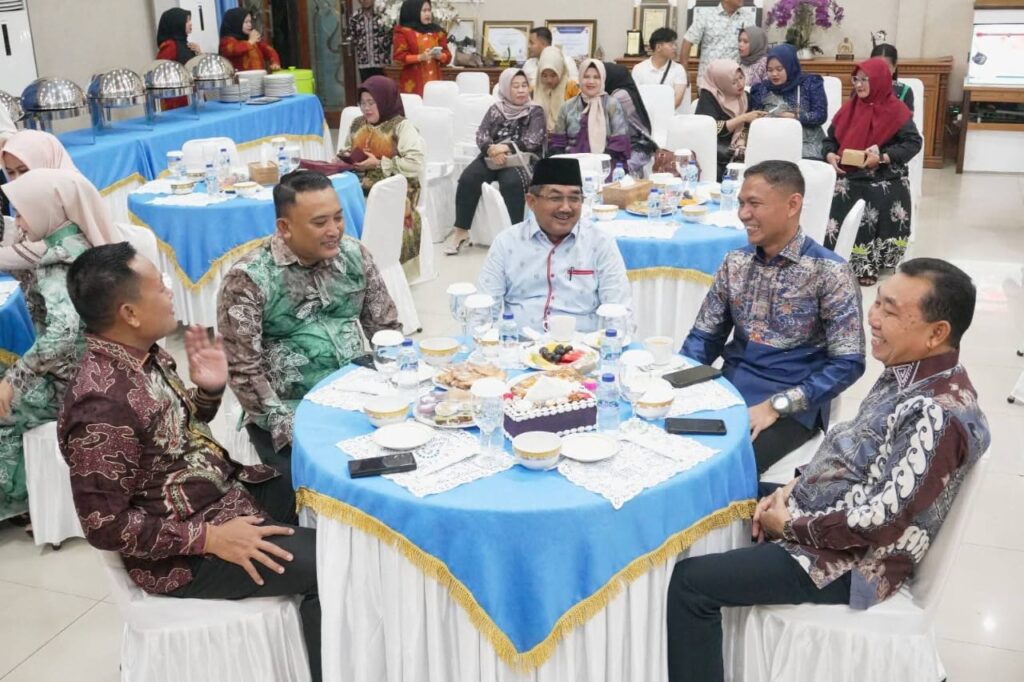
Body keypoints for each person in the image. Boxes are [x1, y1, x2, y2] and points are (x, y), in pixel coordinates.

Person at [667, 258, 989, 682]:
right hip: (826, 517)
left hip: (848, 562)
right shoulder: (910, 372)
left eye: (891, 311)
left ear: (936, 333)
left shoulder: (935, 413)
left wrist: (790, 524)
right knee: (718, 490)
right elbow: (853, 450)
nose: (873, 319)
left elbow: (881, 522)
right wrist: (793, 487)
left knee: (691, 584)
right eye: (877, 302)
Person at [61, 243, 321, 682]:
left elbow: (171, 438)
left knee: (331, 499)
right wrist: (210, 538)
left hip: (221, 493)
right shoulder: (99, 406)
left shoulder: (144, 354)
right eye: (160, 287)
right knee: (329, 566)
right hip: (181, 552)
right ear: (129, 313)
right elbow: (105, 525)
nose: (170, 292)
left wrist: (209, 391)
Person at [681, 160, 865, 474]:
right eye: (741, 203)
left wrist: (779, 405)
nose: (743, 214)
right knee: (665, 443)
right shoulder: (735, 262)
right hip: (730, 387)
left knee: (723, 465)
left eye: (754, 204)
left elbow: (848, 363)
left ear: (793, 204)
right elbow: (704, 337)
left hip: (793, 401)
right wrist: (678, 380)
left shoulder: (830, 272)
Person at [218, 170, 401, 472]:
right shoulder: (249, 279)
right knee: (337, 479)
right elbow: (244, 372)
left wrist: (401, 385)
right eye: (320, 222)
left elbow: (386, 329)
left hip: (360, 395)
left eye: (338, 218)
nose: (334, 230)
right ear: (285, 227)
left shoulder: (354, 255)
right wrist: (292, 429)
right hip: (292, 409)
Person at [0, 169, 117, 524]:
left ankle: (16, 503)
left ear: (43, 210)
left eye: (22, 212)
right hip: (102, 367)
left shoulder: (58, 260)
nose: (19, 222)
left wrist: (14, 381)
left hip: (73, 383)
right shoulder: (82, 241)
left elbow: (62, 333)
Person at [478, 157, 631, 334]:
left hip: (582, 346)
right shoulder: (507, 243)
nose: (566, 208)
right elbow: (483, 308)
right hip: (519, 344)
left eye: (574, 198)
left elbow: (618, 310)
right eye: (555, 198)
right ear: (531, 201)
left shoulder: (600, 243)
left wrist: (613, 344)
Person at [823, 58, 922, 287]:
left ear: (878, 80)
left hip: (883, 173)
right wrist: (830, 155)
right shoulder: (849, 109)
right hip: (849, 172)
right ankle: (837, 255)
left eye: (865, 80)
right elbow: (829, 140)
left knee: (875, 193)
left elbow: (913, 143)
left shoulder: (897, 110)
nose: (859, 85)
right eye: (856, 79)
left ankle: (869, 263)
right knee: (842, 190)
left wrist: (884, 157)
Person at [445, 68, 546, 256]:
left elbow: (534, 139)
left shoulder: (535, 111)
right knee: (469, 178)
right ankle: (461, 231)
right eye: (515, 86)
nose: (521, 90)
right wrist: (491, 150)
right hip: (493, 157)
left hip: (520, 159)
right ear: (506, 88)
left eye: (524, 85)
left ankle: (516, 235)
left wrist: (505, 148)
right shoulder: (495, 109)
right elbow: (482, 134)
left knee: (511, 182)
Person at [337, 75, 426, 276]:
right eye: (362, 103)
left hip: (395, 187)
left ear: (384, 100)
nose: (366, 108)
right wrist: (344, 158)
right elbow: (346, 149)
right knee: (337, 203)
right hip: (359, 183)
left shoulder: (401, 126)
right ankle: (350, 268)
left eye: (372, 102)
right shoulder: (357, 123)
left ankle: (386, 271)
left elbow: (415, 163)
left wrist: (379, 163)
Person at [0, 130, 82, 272]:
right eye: (11, 172)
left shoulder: (69, 197)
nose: (17, 179)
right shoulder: (29, 197)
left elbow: (50, 247)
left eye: (24, 170)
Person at [549, 59, 631, 174]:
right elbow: (558, 142)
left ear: (603, 79)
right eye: (586, 77)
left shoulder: (612, 105)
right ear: (580, 78)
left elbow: (619, 142)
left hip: (605, 166)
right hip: (571, 166)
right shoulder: (567, 107)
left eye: (596, 77)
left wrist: (595, 163)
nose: (591, 81)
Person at [749, 44, 829, 159]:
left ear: (790, 66)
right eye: (770, 70)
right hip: (774, 145)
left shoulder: (810, 83)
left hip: (807, 147)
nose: (774, 74)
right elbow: (754, 120)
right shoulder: (762, 89)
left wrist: (795, 117)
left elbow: (820, 115)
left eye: (779, 69)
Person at [694, 59, 765, 181]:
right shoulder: (709, 97)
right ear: (722, 82)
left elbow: (747, 126)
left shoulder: (745, 97)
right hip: (715, 151)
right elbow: (711, 128)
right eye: (733, 82)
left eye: (741, 78)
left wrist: (742, 140)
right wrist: (743, 118)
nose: (740, 84)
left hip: (739, 149)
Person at [605, 62, 658, 177]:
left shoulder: (620, 95)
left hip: (636, 147)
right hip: (627, 145)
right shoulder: (620, 91)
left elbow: (606, 124)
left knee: (616, 173)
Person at [392, 0, 451, 96]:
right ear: (413, 12)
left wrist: (441, 56)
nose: (428, 14)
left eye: (429, 10)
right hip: (413, 84)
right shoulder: (403, 32)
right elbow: (399, 58)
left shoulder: (437, 31)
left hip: (435, 81)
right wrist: (420, 57)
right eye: (424, 11)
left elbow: (448, 56)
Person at [681, 0, 752, 79]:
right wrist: (683, 72)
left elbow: (755, 46)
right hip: (708, 79)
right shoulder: (706, 15)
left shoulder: (747, 18)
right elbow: (688, 40)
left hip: (734, 79)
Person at [631, 28, 690, 114]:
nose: (675, 47)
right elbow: (635, 97)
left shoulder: (679, 69)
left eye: (675, 44)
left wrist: (659, 114)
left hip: (670, 115)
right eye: (671, 44)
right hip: (645, 115)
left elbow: (677, 100)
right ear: (658, 47)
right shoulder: (639, 69)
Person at [156, 8, 200, 110]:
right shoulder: (170, 46)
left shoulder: (185, 44)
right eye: (187, 20)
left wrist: (199, 53)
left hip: (190, 98)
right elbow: (160, 72)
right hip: (177, 102)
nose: (190, 23)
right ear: (177, 23)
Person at [532, 46, 581, 135]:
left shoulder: (572, 88)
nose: (549, 80)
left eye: (553, 75)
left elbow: (579, 118)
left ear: (560, 71)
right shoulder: (533, 90)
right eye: (544, 76)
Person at [219, 8, 281, 72]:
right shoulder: (226, 41)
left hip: (258, 76)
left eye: (250, 22)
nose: (250, 25)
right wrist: (250, 42)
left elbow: (269, 51)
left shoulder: (250, 38)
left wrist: (275, 62)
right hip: (239, 78)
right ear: (235, 23)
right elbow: (234, 50)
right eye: (246, 22)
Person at [347, 0, 392, 84]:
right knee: (367, 88)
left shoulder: (383, 15)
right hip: (364, 63)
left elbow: (392, 35)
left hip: (382, 62)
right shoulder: (355, 17)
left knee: (383, 88)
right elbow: (353, 38)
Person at [871, 43, 915, 111]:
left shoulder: (905, 91)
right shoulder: (862, 89)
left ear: (894, 67)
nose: (881, 72)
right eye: (876, 67)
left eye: (886, 67)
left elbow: (908, 117)